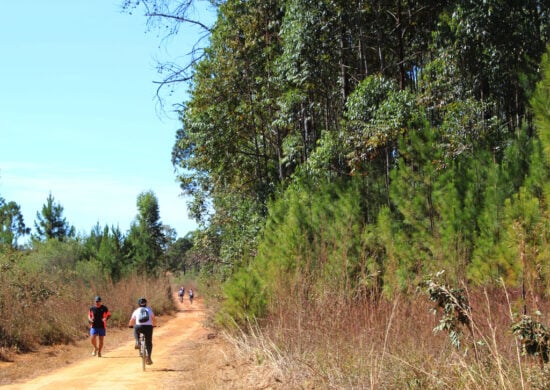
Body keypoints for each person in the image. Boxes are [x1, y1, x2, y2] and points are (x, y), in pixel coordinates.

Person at [128, 297, 156, 365]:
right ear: (146, 303)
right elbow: (153, 319)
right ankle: (149, 357)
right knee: (149, 342)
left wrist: (130, 325)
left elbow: (132, 320)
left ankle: (137, 341)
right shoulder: (149, 310)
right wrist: (154, 325)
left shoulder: (136, 310)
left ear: (139, 304)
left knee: (135, 329)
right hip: (148, 327)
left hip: (139, 326)